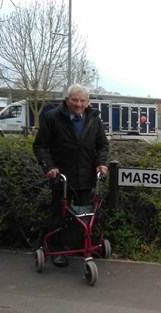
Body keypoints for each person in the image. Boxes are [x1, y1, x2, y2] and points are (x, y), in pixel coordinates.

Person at [33, 83, 109, 267]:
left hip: (86, 177)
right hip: (62, 177)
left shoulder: (94, 118)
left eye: (82, 101)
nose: (78, 104)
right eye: (75, 100)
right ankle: (57, 250)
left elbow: (102, 145)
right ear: (67, 100)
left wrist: (101, 163)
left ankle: (80, 247)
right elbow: (40, 145)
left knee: (84, 216)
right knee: (58, 213)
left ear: (87, 102)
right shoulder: (52, 118)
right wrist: (48, 166)